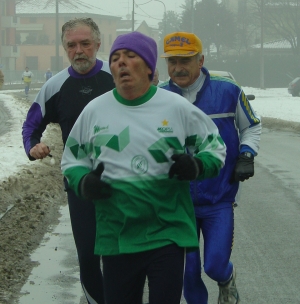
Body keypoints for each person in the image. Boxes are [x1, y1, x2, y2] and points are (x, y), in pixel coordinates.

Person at [61, 31, 226, 304]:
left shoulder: (176, 107)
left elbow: (215, 148)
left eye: (130, 56)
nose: (121, 63)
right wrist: (84, 182)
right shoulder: (95, 111)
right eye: (115, 58)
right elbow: (72, 160)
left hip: (167, 231)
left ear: (149, 67)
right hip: (117, 233)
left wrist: (197, 165)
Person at [160, 31, 262, 304]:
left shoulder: (228, 91)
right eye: (172, 62)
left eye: (185, 60)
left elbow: (251, 126)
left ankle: (226, 280)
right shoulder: (159, 96)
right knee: (188, 272)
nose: (178, 68)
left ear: (200, 59)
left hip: (220, 195)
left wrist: (246, 154)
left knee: (214, 266)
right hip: (178, 201)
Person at [22, 17, 115, 304]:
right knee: (88, 255)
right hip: (79, 183)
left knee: (119, 255)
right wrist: (33, 147)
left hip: (123, 182)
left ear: (98, 45)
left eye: (85, 44)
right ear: (64, 48)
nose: (79, 51)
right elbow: (30, 126)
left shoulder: (117, 78)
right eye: (71, 45)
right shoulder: (55, 86)